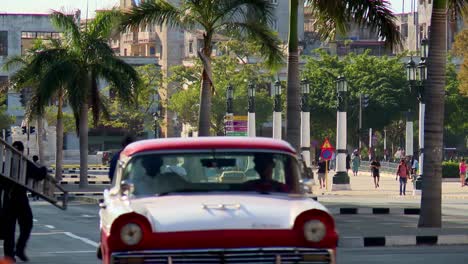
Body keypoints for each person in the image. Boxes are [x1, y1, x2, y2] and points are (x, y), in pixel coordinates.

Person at [2, 141, 46, 262]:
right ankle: (13, 253)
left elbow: (39, 174)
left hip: (14, 200)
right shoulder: (21, 164)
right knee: (11, 229)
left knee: (24, 225)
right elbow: (40, 174)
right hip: (14, 200)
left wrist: (42, 170)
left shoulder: (10, 164)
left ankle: (15, 252)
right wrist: (43, 168)